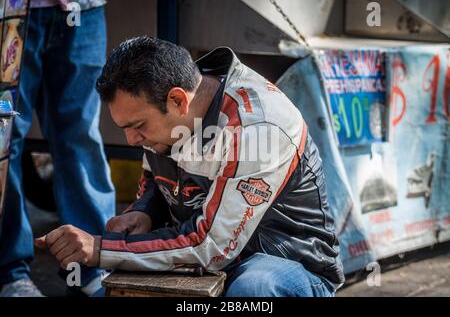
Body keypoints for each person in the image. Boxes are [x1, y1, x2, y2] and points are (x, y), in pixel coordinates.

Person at [36, 36, 345, 297]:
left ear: (178, 100)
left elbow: (211, 245)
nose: (131, 140)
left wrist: (101, 248)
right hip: (209, 256)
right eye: (125, 128)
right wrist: (143, 211)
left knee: (253, 289)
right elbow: (155, 180)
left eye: (138, 126)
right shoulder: (172, 113)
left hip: (289, 265)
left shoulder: (259, 128)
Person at [0, 0, 115, 297]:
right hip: (9, 10)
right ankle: (10, 275)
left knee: (81, 138)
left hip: (83, 7)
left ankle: (90, 267)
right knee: (4, 137)